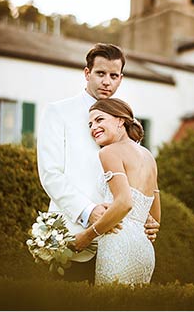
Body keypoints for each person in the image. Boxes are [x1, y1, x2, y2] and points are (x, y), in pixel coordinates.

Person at [37, 43, 160, 282]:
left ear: (121, 79)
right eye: (100, 73)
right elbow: (50, 174)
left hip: (120, 243)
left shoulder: (122, 119)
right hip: (73, 238)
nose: (107, 82)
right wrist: (88, 211)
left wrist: (147, 218)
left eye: (114, 76)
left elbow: (136, 181)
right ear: (87, 73)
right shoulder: (58, 112)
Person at [72, 98, 160, 285]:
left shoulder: (109, 152)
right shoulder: (148, 156)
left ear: (120, 120)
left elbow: (124, 202)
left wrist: (86, 237)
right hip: (144, 250)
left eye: (99, 120)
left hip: (117, 243)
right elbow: (155, 216)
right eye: (90, 124)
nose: (93, 127)